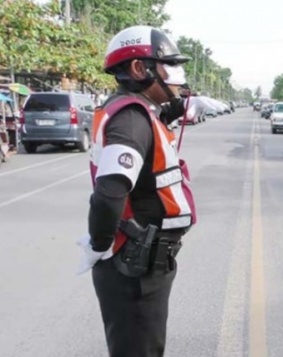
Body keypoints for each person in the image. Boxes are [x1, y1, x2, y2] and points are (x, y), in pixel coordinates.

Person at [76, 25, 197, 357]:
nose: (177, 76)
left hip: (144, 265)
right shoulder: (130, 119)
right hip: (132, 267)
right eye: (169, 67)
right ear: (138, 69)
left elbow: (172, 112)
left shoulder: (140, 111)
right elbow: (109, 191)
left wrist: (175, 96)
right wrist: (99, 245)